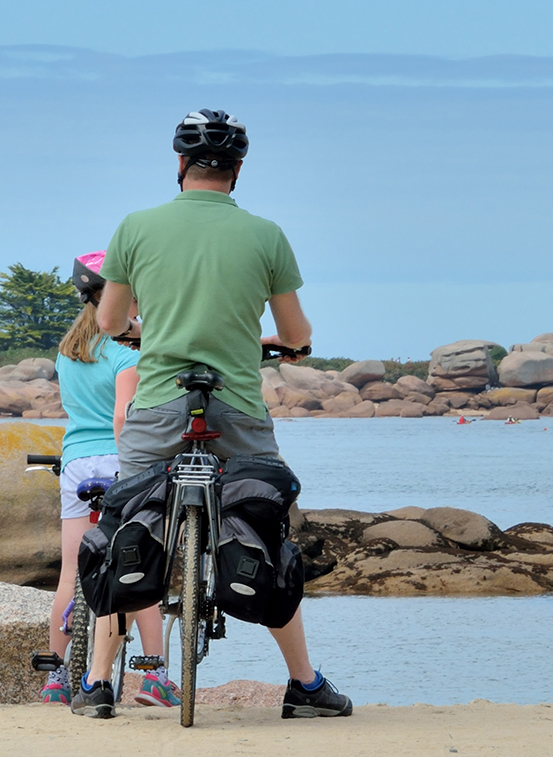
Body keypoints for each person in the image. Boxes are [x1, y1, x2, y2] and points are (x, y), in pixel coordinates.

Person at [88, 109, 352, 720]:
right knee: (267, 524)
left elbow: (107, 322)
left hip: (157, 399)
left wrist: (140, 331)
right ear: (238, 171)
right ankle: (305, 685)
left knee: (128, 521)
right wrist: (294, 346)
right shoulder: (265, 234)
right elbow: (293, 330)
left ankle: (100, 682)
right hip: (235, 400)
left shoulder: (135, 227)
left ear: (180, 164)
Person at [41, 251, 182, 710]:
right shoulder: (126, 351)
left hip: (76, 463)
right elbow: (122, 415)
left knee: (69, 574)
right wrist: (134, 467)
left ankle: (57, 676)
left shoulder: (67, 351)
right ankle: (155, 675)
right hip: (117, 460)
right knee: (138, 569)